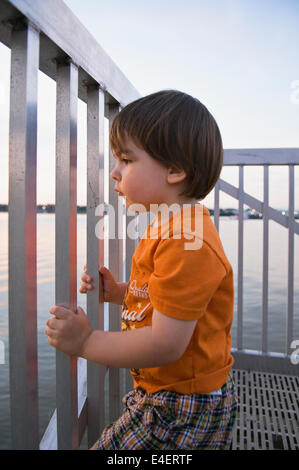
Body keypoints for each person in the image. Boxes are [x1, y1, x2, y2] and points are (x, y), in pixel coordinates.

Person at [45, 90, 238, 450]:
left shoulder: (186, 241)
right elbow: (162, 298)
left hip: (183, 407)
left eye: (126, 160)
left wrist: (85, 342)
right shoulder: (168, 227)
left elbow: (166, 343)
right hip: (168, 396)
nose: (115, 173)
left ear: (175, 170)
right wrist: (118, 293)